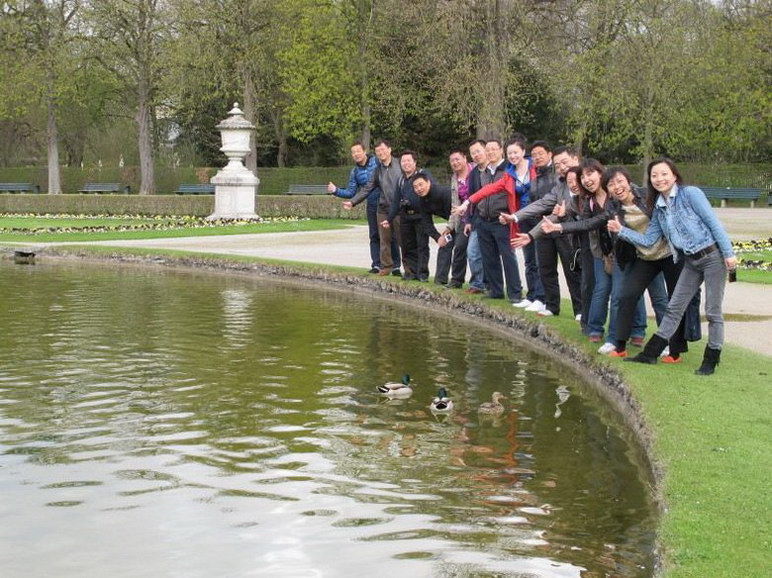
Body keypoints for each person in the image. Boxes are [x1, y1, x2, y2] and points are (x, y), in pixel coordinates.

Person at [608, 158, 737, 375]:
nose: (660, 179)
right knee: (674, 308)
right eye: (654, 175)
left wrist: (729, 253)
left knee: (713, 312)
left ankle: (711, 359)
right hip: (690, 261)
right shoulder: (659, 207)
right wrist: (621, 230)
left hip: (712, 257)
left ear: (674, 175)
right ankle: (650, 354)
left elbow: (713, 223)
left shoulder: (691, 194)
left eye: (664, 174)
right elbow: (649, 240)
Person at [506, 146, 583, 318]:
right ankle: (552, 306)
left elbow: (565, 212)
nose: (562, 167)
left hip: (571, 234)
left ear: (575, 159)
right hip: (547, 228)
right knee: (546, 269)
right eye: (558, 164)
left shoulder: (585, 181)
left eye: (564, 162)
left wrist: (532, 233)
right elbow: (542, 204)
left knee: (572, 271)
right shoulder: (559, 184)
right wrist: (516, 217)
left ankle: (580, 310)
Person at [455, 139, 523, 302]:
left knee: (508, 257)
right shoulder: (483, 172)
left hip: (502, 219)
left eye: (494, 149)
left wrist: (511, 215)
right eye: (488, 150)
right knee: (489, 257)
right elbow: (481, 193)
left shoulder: (508, 169)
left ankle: (515, 293)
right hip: (484, 219)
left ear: (501, 150)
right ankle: (495, 290)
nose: (490, 152)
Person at [344, 140, 402, 276]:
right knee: (383, 238)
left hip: (399, 207)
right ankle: (386, 266)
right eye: (378, 151)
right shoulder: (377, 170)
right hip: (382, 207)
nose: (381, 153)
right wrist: (352, 202)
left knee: (401, 238)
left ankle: (405, 269)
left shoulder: (400, 164)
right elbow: (367, 188)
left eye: (383, 150)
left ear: (389, 149)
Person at [505, 136, 546, 312]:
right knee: (529, 259)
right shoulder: (509, 173)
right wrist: (469, 201)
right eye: (509, 153)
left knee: (540, 258)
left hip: (538, 217)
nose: (513, 156)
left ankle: (542, 297)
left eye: (515, 152)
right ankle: (531, 295)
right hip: (521, 218)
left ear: (523, 151)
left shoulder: (535, 167)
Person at [328, 142, 381, 273]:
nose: (356, 154)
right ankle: (376, 265)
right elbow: (351, 192)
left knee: (390, 235)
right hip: (372, 205)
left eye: (358, 151)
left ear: (364, 151)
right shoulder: (355, 172)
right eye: (353, 152)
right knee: (374, 235)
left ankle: (395, 266)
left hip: (386, 203)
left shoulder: (377, 162)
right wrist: (336, 190)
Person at [383, 151, 432, 281]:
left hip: (421, 215)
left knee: (422, 245)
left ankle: (422, 273)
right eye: (403, 161)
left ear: (415, 162)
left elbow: (432, 190)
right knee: (407, 246)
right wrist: (389, 219)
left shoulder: (423, 175)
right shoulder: (400, 180)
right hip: (405, 216)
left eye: (409, 160)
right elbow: (395, 201)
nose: (406, 163)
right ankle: (411, 272)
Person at [434, 150, 472, 288]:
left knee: (474, 252)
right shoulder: (454, 178)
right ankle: (456, 280)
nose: (455, 163)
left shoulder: (475, 173)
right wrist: (450, 226)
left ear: (465, 158)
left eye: (457, 159)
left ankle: (479, 283)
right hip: (462, 219)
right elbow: (454, 204)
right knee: (459, 248)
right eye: (452, 161)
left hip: (476, 216)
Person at [463, 139, 488, 295]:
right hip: (478, 218)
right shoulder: (473, 174)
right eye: (473, 153)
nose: (476, 155)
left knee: (492, 255)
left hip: (495, 217)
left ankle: (491, 285)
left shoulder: (496, 170)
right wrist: (468, 220)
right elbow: (470, 198)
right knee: (472, 252)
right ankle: (477, 283)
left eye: (478, 151)